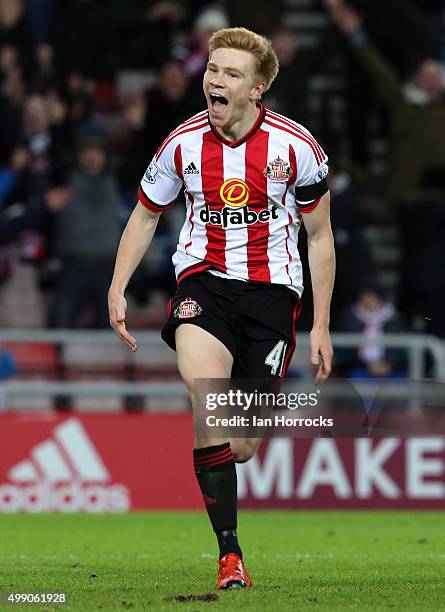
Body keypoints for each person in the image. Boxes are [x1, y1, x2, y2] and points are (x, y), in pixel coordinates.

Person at [108, 27, 335, 590]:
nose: (216, 79)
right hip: (202, 285)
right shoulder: (180, 144)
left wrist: (321, 323)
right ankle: (230, 556)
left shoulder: (295, 148)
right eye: (213, 70)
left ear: (257, 89)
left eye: (231, 73)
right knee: (207, 400)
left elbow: (321, 236)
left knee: (241, 445)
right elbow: (145, 215)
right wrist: (117, 286)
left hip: (272, 295)